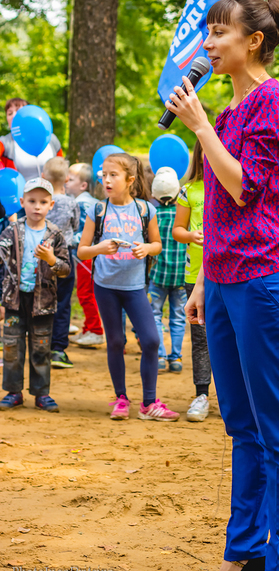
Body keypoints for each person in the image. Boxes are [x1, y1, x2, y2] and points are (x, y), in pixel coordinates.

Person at [165, 0, 279, 571]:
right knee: (241, 428)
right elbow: (218, 209)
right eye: (208, 32)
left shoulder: (274, 101)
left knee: (277, 430)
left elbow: (246, 187)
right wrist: (203, 280)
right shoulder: (229, 107)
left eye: (219, 32)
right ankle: (244, 551)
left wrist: (200, 127)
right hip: (223, 284)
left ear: (254, 41)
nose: (208, 43)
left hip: (264, 281)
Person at [77, 152, 180, 422]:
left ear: (130, 179)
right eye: (104, 175)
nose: (107, 180)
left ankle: (149, 403)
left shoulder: (146, 210)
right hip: (105, 286)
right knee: (115, 341)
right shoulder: (97, 210)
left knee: (151, 339)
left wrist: (146, 248)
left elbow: (157, 245)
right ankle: (121, 398)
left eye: (114, 175)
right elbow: (82, 250)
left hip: (135, 288)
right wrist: (99, 248)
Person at [0, 177, 71, 412]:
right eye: (32, 201)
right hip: (14, 300)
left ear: (51, 205)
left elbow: (65, 269)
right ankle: (14, 392)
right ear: (22, 202)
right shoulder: (11, 231)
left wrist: (51, 259)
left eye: (43, 202)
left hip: (43, 302)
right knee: (12, 347)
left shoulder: (55, 234)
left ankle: (42, 393)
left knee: (41, 347)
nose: (37, 207)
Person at [172, 139, 211, 422]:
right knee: (200, 338)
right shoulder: (188, 190)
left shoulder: (233, 187)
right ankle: (202, 394)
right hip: (194, 275)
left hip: (230, 274)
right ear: (198, 157)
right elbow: (178, 229)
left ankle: (236, 396)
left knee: (233, 338)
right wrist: (190, 236)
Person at [149, 167, 187, 375]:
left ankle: (160, 356)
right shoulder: (183, 217)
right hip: (181, 276)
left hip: (157, 276)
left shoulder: (153, 216)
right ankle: (176, 357)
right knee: (178, 316)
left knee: (154, 315)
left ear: (154, 194)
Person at [42, 157, 80, 369]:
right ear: (66, 179)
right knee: (63, 303)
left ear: (43, 176)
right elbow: (75, 226)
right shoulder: (71, 202)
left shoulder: (42, 202)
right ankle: (58, 349)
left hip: (43, 256)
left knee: (43, 300)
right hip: (65, 257)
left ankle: (41, 344)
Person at [66, 162, 104, 348]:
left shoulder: (82, 204)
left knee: (85, 293)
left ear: (83, 185)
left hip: (86, 258)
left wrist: (65, 239)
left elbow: (85, 234)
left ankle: (95, 330)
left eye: (71, 179)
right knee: (86, 292)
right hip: (89, 257)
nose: (66, 181)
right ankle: (89, 328)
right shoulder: (89, 201)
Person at [2, 98, 63, 180]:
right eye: (10, 113)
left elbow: (62, 168)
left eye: (18, 111)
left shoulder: (51, 138)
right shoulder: (5, 142)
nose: (14, 115)